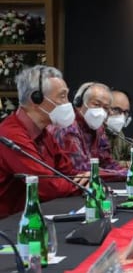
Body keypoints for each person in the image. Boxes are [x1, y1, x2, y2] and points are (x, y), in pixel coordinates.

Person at [0, 65, 86, 218]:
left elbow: (69, 172)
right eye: (62, 96)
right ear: (36, 99)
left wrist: (85, 178)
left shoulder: (44, 133)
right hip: (7, 226)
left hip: (31, 217)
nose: (68, 103)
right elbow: (48, 187)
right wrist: (83, 183)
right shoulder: (10, 135)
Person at [52, 82, 133, 180]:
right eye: (96, 104)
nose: (100, 111)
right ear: (79, 103)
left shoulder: (99, 129)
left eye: (105, 108)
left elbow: (108, 164)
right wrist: (132, 173)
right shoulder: (68, 127)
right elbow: (83, 171)